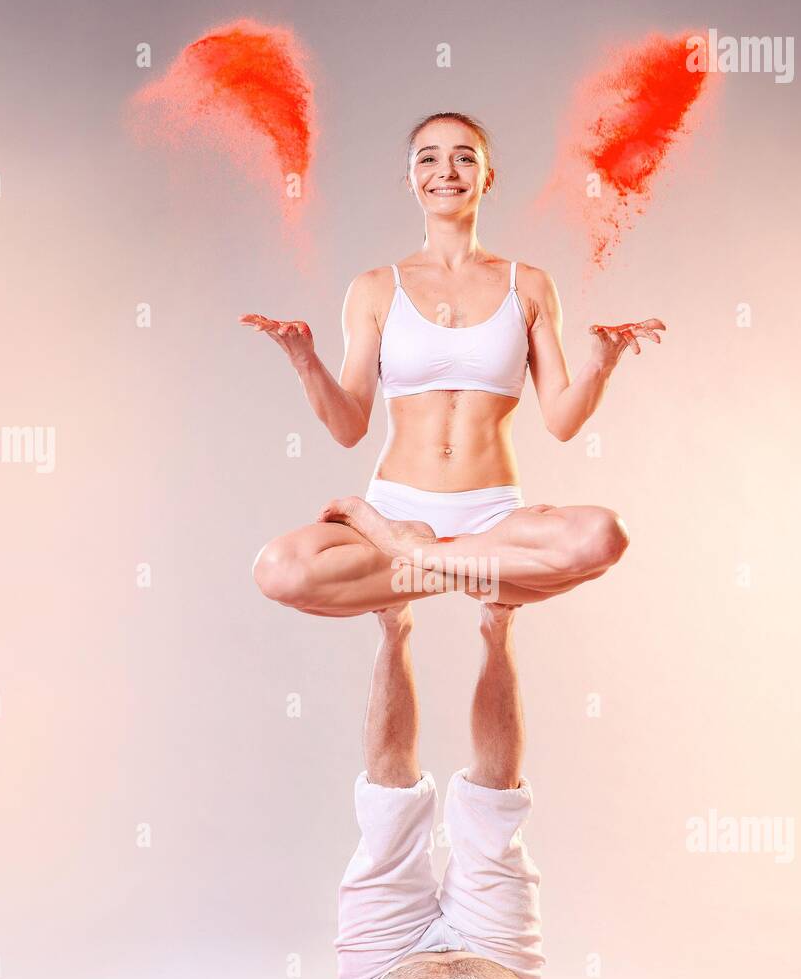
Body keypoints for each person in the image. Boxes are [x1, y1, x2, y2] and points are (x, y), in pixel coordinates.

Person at [0, 604, 801, 979]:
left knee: (388, 796)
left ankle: (390, 626)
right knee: (494, 796)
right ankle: (497, 628)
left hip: (386, 963)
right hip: (499, 947)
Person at [242, 111, 666, 616]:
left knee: (603, 537)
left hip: (492, 519)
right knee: (278, 569)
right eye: (429, 159)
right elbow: (349, 427)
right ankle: (483, 578)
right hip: (399, 509)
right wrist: (304, 360)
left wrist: (603, 362)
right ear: (411, 180)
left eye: (465, 159)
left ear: (487, 178)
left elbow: (562, 421)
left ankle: (415, 560)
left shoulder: (527, 284)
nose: (447, 171)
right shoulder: (375, 288)